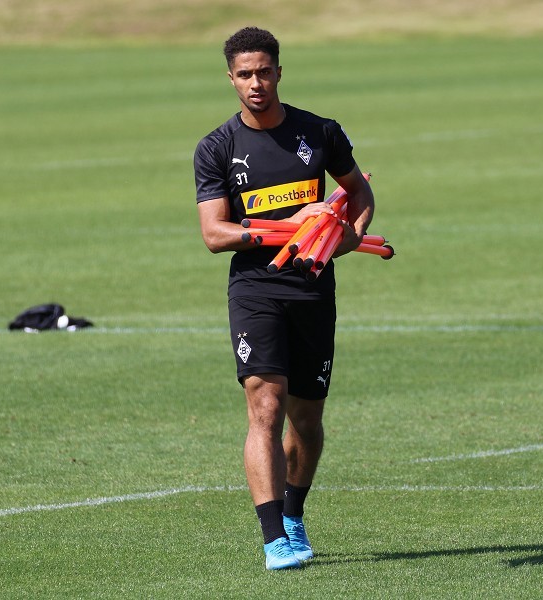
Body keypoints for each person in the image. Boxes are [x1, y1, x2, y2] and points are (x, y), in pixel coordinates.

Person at [193, 26, 374, 570]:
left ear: (279, 72)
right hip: (255, 288)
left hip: (312, 287)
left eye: (264, 72)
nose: (256, 83)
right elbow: (214, 234)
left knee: (307, 421)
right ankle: (274, 538)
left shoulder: (319, 132)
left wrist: (348, 236)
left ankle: (293, 513)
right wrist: (288, 228)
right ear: (231, 78)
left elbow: (359, 191)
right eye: (244, 75)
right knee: (265, 406)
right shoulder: (216, 148)